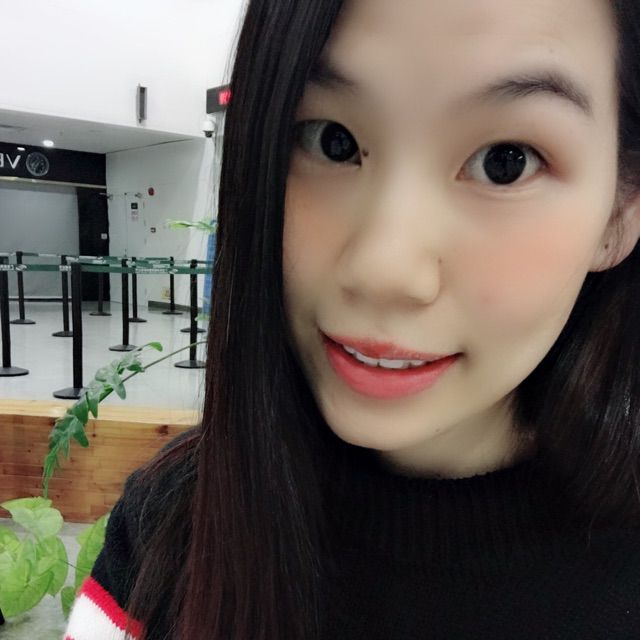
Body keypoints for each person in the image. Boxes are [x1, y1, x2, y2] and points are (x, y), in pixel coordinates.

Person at [64, 0, 640, 638]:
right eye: (331, 141)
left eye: (506, 161)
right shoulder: (171, 528)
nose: (383, 270)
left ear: (621, 211)